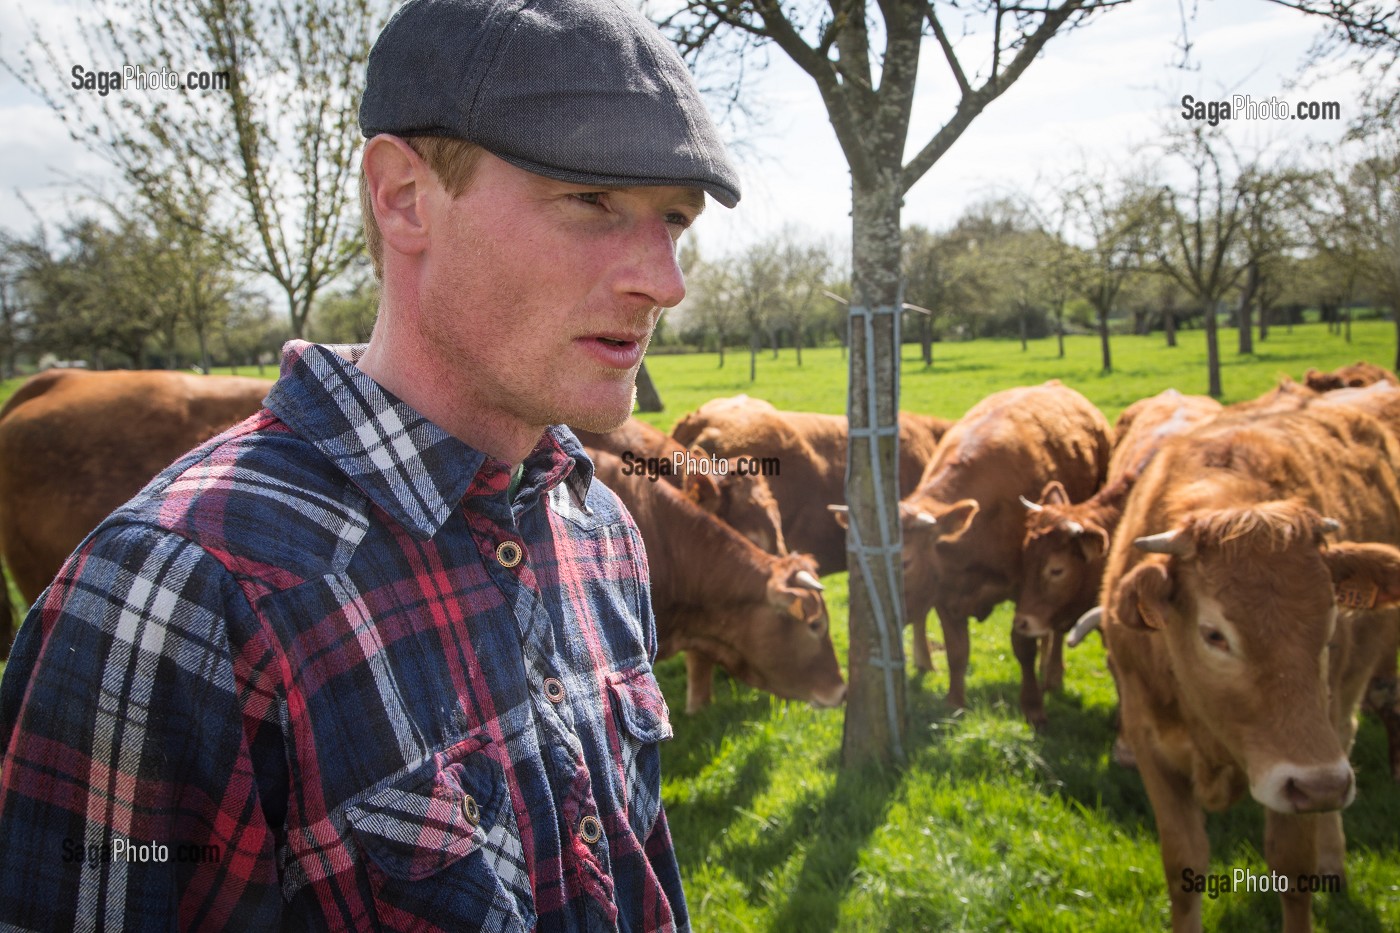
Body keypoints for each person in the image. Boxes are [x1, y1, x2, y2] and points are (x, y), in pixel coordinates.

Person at [0, 0, 739, 927]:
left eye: (674, 218)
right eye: (592, 200)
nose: (664, 280)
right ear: (403, 197)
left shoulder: (600, 532)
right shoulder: (173, 596)